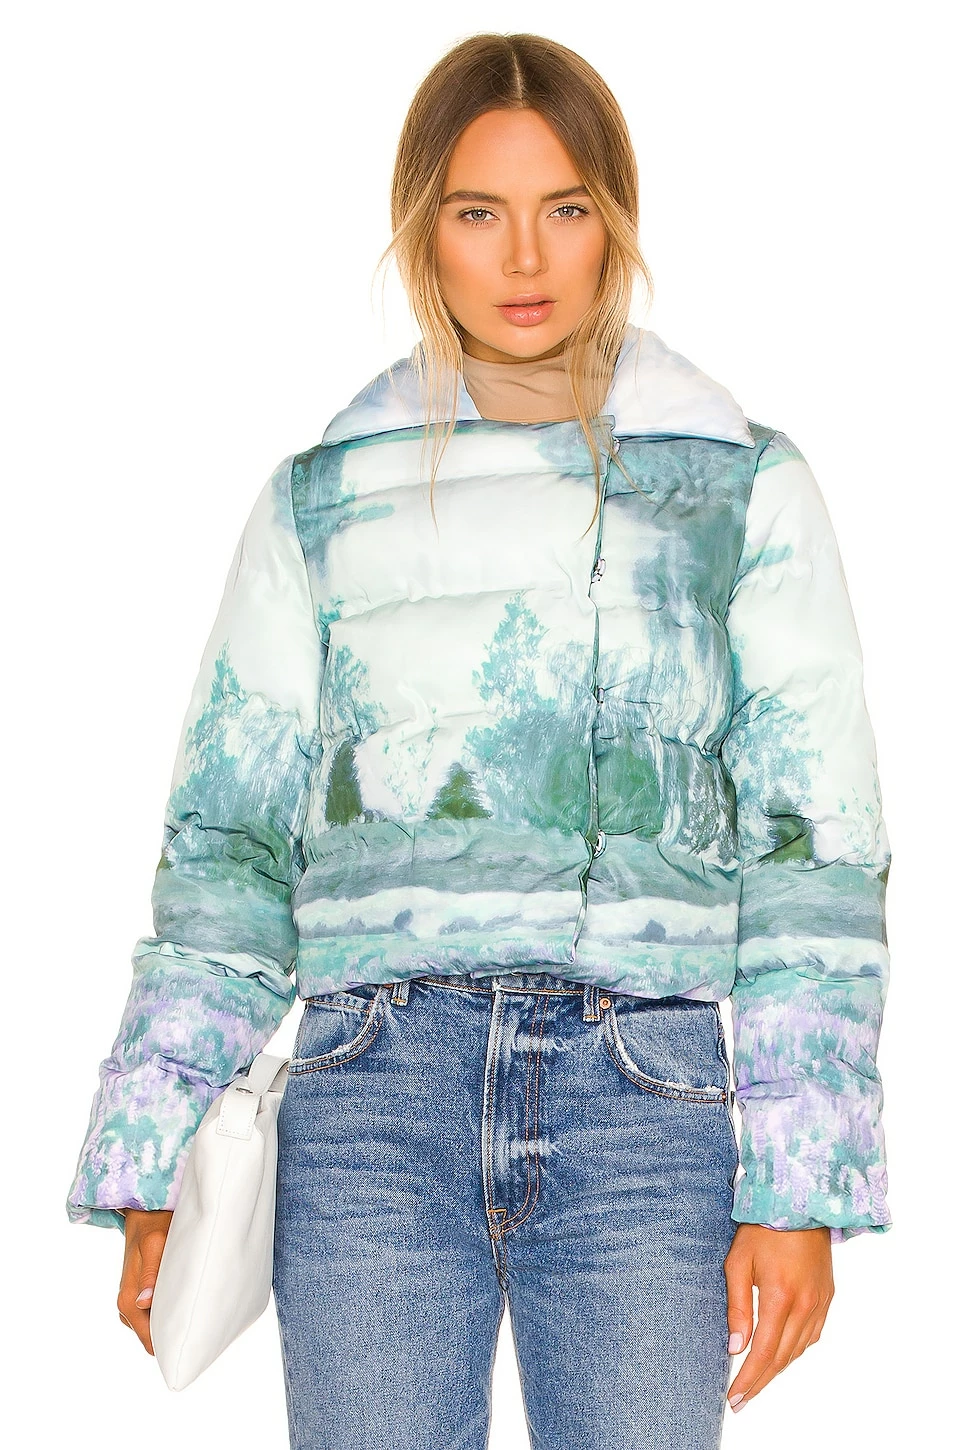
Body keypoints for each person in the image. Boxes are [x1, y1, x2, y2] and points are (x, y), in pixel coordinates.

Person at [65, 31, 892, 1450]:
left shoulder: (741, 488)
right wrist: (157, 1145)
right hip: (370, 1095)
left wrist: (801, 1185)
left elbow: (814, 851)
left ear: (616, 222)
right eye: (476, 211)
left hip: (646, 1100)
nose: (524, 256)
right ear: (420, 232)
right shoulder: (322, 501)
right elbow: (229, 850)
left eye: (565, 208)